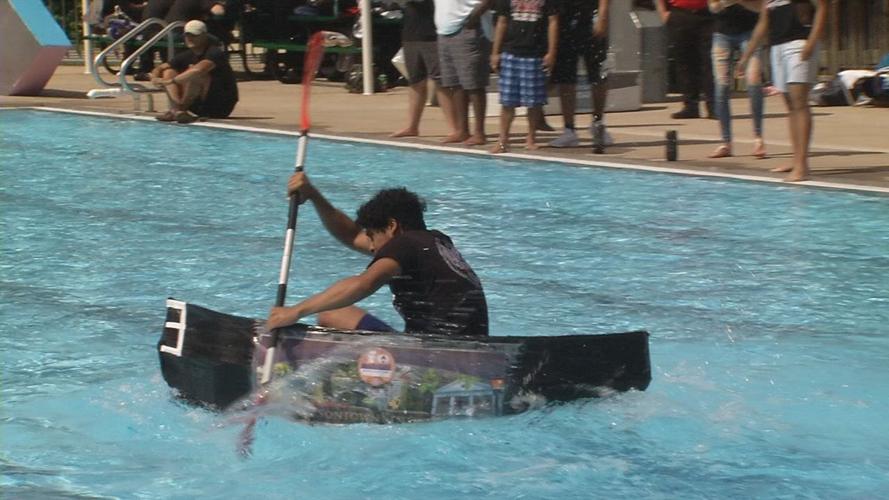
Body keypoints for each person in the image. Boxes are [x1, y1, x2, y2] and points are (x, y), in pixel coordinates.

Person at [266, 172, 489, 337]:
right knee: (333, 314)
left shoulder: (405, 243)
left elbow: (364, 284)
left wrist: (295, 311)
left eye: (372, 235)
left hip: (438, 354)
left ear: (392, 226)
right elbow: (352, 235)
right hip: (470, 348)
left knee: (330, 314)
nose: (371, 248)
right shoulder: (434, 242)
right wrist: (314, 195)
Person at [738, 0, 825, 182]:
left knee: (799, 103)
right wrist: (745, 57)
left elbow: (823, 7)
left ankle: (802, 165)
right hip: (777, 46)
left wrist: (811, 42)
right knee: (790, 106)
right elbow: (763, 22)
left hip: (799, 43)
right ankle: (796, 160)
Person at [489, 0, 559, 153]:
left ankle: (531, 137)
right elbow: (502, 22)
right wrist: (495, 52)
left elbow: (552, 22)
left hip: (535, 54)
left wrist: (552, 52)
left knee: (533, 102)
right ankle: (503, 140)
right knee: (507, 102)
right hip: (510, 52)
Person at [549, 0, 613, 151]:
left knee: (598, 76)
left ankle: (598, 123)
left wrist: (602, 15)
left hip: (591, 17)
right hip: (565, 20)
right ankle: (569, 130)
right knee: (566, 78)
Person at [707, 0, 766, 159]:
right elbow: (712, 7)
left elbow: (761, 7)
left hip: (750, 32)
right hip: (722, 33)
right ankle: (726, 142)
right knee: (721, 86)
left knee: (754, 83)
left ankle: (758, 138)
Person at [150, 20, 238, 123]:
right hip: (197, 105)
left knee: (196, 74)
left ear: (204, 36)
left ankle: (180, 110)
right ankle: (177, 110)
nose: (189, 38)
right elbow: (160, 68)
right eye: (187, 35)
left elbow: (199, 70)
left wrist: (171, 81)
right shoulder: (187, 54)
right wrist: (155, 77)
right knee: (168, 71)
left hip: (219, 105)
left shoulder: (214, 52)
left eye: (194, 35)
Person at [390, 0, 456, 138]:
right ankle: (412, 126)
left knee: (441, 81)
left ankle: (454, 128)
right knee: (415, 81)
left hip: (432, 34)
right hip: (411, 34)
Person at [435, 0, 495, 145]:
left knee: (473, 84)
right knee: (455, 84)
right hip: (444, 31)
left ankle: (479, 132)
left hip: (468, 29)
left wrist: (473, 18)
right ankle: (462, 130)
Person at [655, 0, 716, 119]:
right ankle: (690, 106)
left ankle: (714, 106)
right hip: (680, 14)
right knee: (685, 62)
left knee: (710, 62)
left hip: (708, 15)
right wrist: (662, 13)